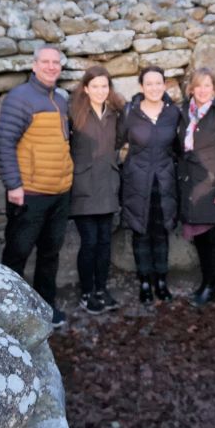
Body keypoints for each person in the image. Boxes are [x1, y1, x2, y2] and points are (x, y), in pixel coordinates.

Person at [0, 45, 73, 328]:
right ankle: (8, 311)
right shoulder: (21, 98)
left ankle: (45, 309)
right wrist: (14, 185)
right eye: (46, 62)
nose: (51, 67)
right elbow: (3, 142)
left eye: (56, 63)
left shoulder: (60, 100)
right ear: (34, 65)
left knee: (50, 254)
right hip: (29, 194)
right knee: (18, 253)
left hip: (60, 194)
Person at [119, 66, 182, 304]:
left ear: (164, 85)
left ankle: (161, 280)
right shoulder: (130, 113)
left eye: (158, 83)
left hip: (164, 181)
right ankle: (145, 281)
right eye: (149, 83)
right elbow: (116, 141)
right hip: (137, 181)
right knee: (140, 231)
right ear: (141, 87)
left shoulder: (173, 113)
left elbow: (179, 146)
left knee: (161, 232)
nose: (154, 88)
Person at [178, 68, 215, 306]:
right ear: (191, 89)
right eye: (198, 86)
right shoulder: (185, 112)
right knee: (200, 239)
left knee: (213, 238)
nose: (202, 91)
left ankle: (211, 286)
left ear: (214, 89)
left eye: (207, 86)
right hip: (191, 186)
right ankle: (205, 282)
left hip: (213, 186)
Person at [68, 66, 125, 314]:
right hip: (83, 186)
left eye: (104, 86)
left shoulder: (116, 113)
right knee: (89, 241)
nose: (100, 91)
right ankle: (86, 292)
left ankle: (101, 289)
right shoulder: (74, 113)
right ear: (86, 88)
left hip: (108, 185)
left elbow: (121, 141)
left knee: (104, 242)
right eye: (95, 86)